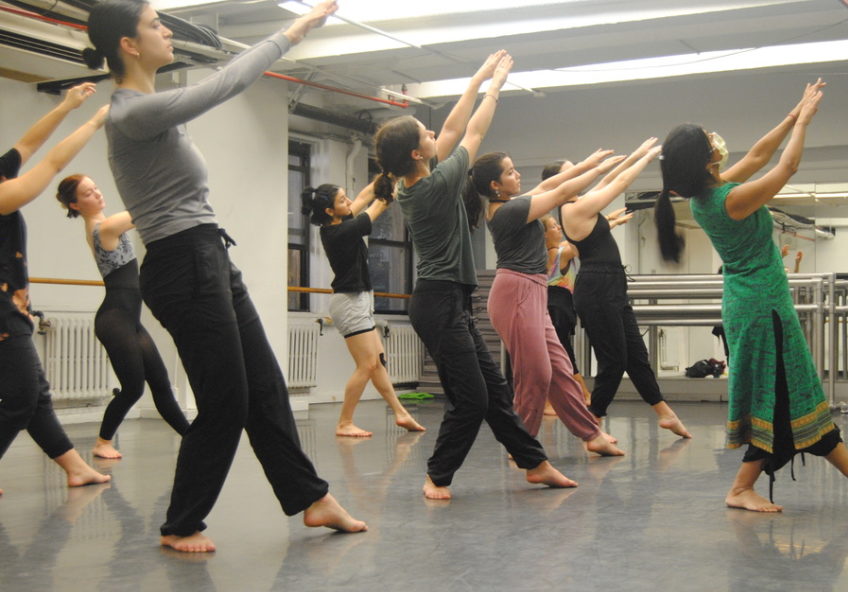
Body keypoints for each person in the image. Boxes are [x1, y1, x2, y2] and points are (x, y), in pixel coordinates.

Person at [85, 0, 365, 552]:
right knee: (226, 400)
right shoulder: (130, 113)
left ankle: (312, 498)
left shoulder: (151, 110)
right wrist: (294, 30)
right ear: (128, 45)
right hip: (182, 263)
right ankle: (181, 523)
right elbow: (225, 83)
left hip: (209, 255)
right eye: (153, 23)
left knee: (263, 385)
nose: (166, 28)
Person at [655, 78, 848, 512]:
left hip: (755, 303)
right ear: (706, 160)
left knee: (792, 392)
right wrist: (803, 122)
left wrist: (791, 115)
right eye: (709, 138)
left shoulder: (707, 195)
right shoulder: (729, 200)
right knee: (780, 394)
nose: (717, 140)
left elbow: (758, 155)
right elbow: (784, 168)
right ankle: (742, 488)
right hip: (761, 306)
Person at [373, 52, 578, 500]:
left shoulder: (417, 180)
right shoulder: (435, 185)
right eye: (423, 135)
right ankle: (437, 475)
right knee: (472, 400)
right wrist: (495, 86)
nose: (432, 132)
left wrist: (480, 76)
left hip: (448, 302)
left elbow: (448, 130)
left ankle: (534, 463)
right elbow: (472, 131)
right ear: (415, 154)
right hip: (439, 303)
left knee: (494, 389)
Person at [464, 149, 623, 456]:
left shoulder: (512, 204)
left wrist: (588, 164)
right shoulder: (509, 211)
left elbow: (550, 188)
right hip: (516, 293)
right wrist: (597, 167)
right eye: (510, 172)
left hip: (534, 292)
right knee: (535, 373)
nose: (518, 174)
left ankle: (591, 434)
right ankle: (521, 444)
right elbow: (561, 191)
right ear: (495, 185)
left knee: (560, 369)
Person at [0, 83, 112, 494]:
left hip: (13, 304)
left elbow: (29, 143)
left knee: (34, 393)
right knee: (22, 398)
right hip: (1, 310)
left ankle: (76, 467)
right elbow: (50, 164)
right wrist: (96, 120)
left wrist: (66, 105)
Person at [559, 140, 692, 438]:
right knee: (614, 360)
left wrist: (633, 155)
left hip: (612, 284)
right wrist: (644, 158)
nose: (582, 175)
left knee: (635, 354)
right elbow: (617, 184)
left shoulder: (580, 204)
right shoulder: (571, 210)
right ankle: (593, 423)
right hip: (596, 287)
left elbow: (607, 179)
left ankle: (664, 412)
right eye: (574, 172)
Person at [57, 174, 190, 457]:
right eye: (88, 193)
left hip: (129, 320)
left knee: (161, 384)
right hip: (115, 320)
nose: (97, 193)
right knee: (132, 388)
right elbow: (146, 210)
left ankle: (193, 439)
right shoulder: (103, 228)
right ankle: (103, 443)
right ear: (75, 204)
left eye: (95, 188)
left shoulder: (104, 225)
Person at [299, 181, 425, 437]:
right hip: (350, 302)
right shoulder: (341, 232)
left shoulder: (340, 222)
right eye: (343, 200)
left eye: (347, 198)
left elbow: (367, 193)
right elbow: (378, 204)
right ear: (329, 211)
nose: (349, 202)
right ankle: (344, 422)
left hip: (360, 299)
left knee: (377, 362)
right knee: (367, 364)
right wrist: (393, 188)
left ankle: (400, 413)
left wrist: (390, 171)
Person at [542, 213, 590, 412]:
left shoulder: (539, 255)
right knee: (559, 354)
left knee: (558, 353)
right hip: (557, 306)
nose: (559, 228)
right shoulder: (560, 253)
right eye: (554, 226)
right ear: (544, 235)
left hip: (553, 307)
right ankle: (581, 393)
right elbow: (587, 239)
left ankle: (581, 393)